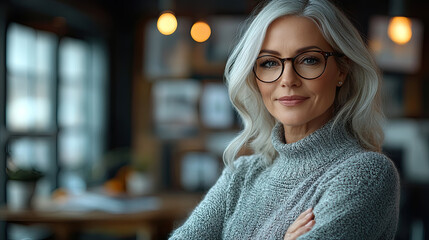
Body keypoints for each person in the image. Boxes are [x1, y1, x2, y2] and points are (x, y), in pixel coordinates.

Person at [169, 0, 400, 239]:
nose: (288, 79)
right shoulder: (241, 174)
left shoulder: (367, 174)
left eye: (309, 59)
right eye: (269, 63)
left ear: (341, 70)